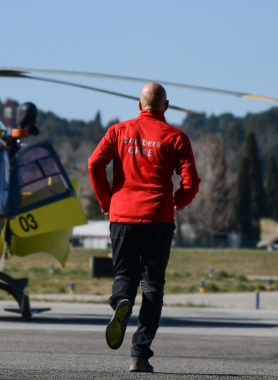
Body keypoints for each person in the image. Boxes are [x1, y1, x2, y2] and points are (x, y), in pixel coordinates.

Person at [88, 82, 200, 373]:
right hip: (158, 219)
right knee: (153, 285)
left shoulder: (117, 131)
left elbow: (94, 164)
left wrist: (106, 200)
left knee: (125, 274)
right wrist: (180, 200)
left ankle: (122, 300)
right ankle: (139, 354)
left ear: (140, 105)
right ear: (166, 105)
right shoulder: (177, 137)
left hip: (122, 215)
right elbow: (191, 181)